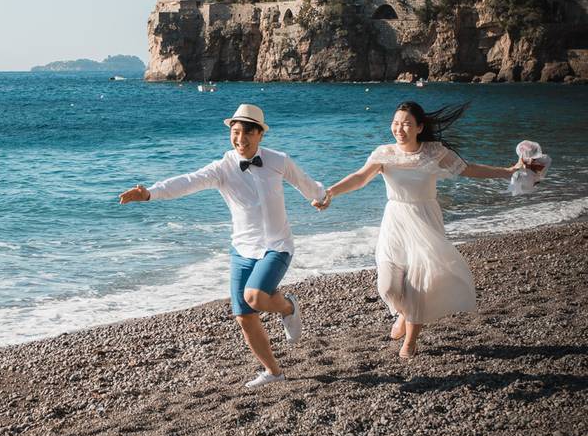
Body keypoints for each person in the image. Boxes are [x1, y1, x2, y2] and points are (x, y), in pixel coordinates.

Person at [119, 104, 326, 388]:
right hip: (242, 250)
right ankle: (274, 373)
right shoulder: (223, 168)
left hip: (277, 245)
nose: (240, 139)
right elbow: (188, 181)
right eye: (235, 132)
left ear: (260, 135)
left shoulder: (279, 160)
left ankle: (288, 307)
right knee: (244, 316)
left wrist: (319, 196)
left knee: (254, 296)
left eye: (247, 133)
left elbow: (304, 182)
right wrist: (150, 193)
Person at [313, 101, 538, 358]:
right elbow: (360, 178)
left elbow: (468, 169)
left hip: (425, 218)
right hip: (395, 220)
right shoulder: (383, 153)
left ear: (419, 127)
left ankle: (410, 340)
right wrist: (330, 192)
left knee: (418, 282)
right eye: (396, 123)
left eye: (407, 124)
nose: (400, 129)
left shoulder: (434, 152)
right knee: (387, 287)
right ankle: (402, 312)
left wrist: (507, 171)